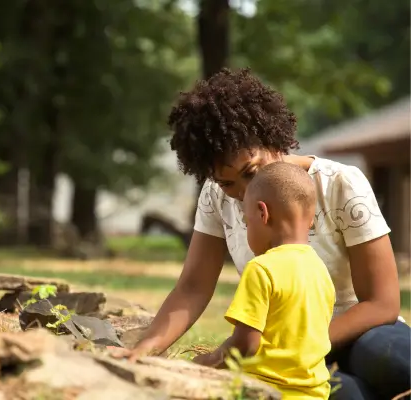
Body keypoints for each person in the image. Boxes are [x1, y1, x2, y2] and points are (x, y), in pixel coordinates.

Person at [110, 68, 410, 400]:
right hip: (288, 355)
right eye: (228, 182)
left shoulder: (340, 183)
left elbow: (382, 302)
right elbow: (193, 287)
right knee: (342, 393)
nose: (244, 192)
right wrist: (148, 347)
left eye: (251, 172)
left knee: (386, 360)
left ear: (273, 140)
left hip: (362, 330)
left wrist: (309, 341)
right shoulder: (216, 196)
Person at [193, 161, 335, 399]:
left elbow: (245, 346)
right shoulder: (320, 271)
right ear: (310, 219)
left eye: (247, 223)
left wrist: (206, 362)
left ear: (262, 213)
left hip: (263, 391)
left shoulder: (261, 268)